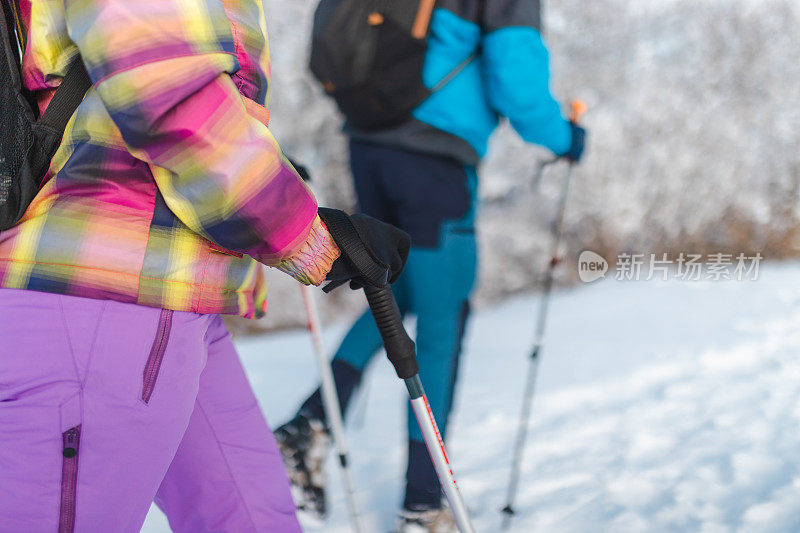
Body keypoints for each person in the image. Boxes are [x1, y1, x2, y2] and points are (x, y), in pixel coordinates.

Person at [0, 1, 408, 532]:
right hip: (103, 291)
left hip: (173, 293)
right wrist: (304, 235)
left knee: (253, 517)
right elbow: (165, 89)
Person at [274, 0, 587, 530]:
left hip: (370, 146)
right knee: (445, 318)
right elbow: (516, 79)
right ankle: (423, 504)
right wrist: (566, 138)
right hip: (435, 159)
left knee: (395, 292)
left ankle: (308, 430)